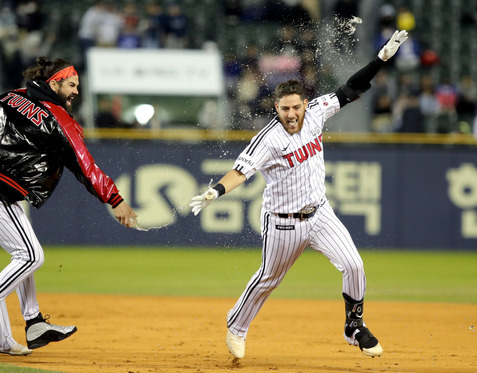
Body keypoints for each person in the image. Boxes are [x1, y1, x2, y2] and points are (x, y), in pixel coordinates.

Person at [190, 29, 408, 359]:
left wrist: (380, 59)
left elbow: (351, 89)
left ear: (304, 104)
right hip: (283, 222)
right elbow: (240, 172)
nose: (290, 114)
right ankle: (237, 325)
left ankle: (354, 325)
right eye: (284, 109)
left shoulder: (317, 111)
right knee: (268, 280)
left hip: (320, 213)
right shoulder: (269, 138)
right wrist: (215, 191)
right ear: (275, 108)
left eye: (295, 107)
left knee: (354, 265)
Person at [0, 56, 137, 355]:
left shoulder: (12, 96)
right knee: (30, 256)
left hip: (6, 191)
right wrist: (114, 199)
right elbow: (86, 166)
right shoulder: (58, 118)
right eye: (71, 84)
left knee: (23, 254)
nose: (76, 91)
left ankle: (30, 323)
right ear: (54, 83)